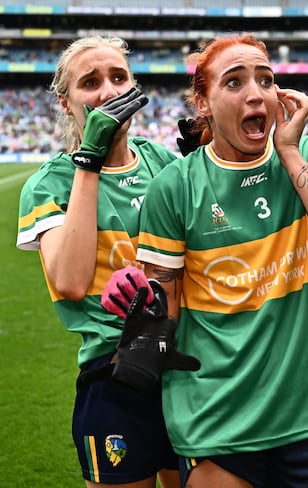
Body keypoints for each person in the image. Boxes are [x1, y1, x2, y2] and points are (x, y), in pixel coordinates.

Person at [104, 33, 308, 487]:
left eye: (266, 80)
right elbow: (161, 312)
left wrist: (288, 151)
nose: (255, 93)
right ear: (203, 102)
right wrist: (139, 315)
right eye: (234, 82)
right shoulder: (175, 187)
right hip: (217, 416)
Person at [16, 34, 181, 488]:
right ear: (67, 104)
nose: (108, 91)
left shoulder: (164, 163)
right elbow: (69, 281)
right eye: (90, 82)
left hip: (182, 365)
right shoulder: (49, 184)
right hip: (112, 375)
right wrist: (89, 159)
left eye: (118, 77)